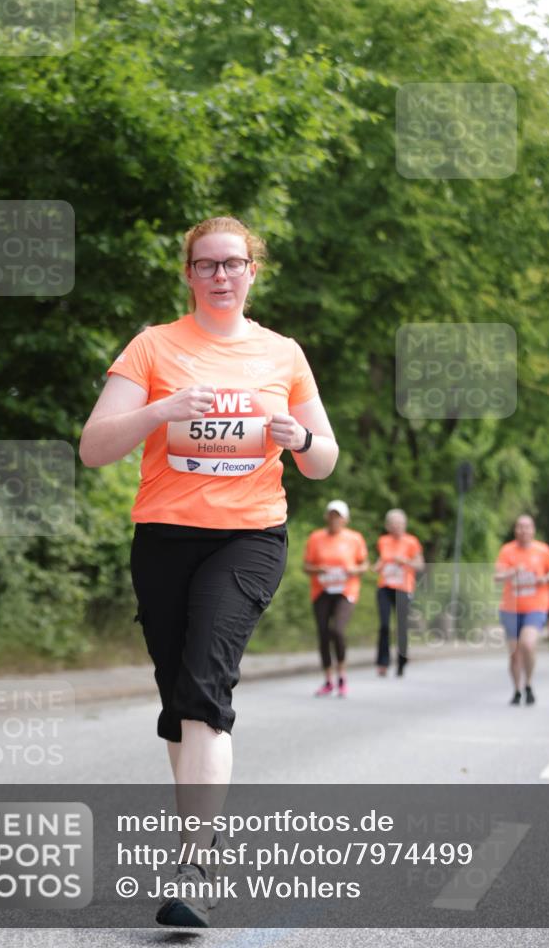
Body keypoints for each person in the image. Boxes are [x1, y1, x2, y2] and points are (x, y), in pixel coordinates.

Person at [79, 216, 338, 927]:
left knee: (203, 683)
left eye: (232, 263)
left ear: (253, 270)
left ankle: (194, 861)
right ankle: (207, 837)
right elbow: (94, 449)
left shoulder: (282, 354)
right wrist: (160, 408)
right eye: (205, 265)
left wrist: (302, 437)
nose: (220, 276)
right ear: (189, 276)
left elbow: (324, 461)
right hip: (164, 537)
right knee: (177, 696)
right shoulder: (153, 347)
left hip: (249, 537)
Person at [303, 500, 369, 698]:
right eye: (331, 515)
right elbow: (306, 566)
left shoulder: (354, 538)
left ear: (345, 519)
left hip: (345, 590)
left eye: (338, 516)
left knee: (337, 630)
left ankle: (342, 676)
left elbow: (365, 565)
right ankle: (328, 680)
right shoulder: (316, 538)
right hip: (321, 590)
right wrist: (318, 569)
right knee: (323, 633)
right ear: (326, 517)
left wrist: (354, 570)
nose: (334, 519)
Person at [494, 514, 549, 706]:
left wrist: (545, 579)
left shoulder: (543, 550)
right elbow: (497, 577)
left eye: (527, 527)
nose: (523, 530)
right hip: (510, 607)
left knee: (528, 644)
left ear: (533, 530)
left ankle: (528, 683)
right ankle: (517, 690)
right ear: (515, 530)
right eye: (520, 527)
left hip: (536, 605)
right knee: (514, 653)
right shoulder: (507, 551)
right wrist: (513, 571)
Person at [372, 509, 424, 677]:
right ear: (388, 526)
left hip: (403, 588)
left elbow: (420, 565)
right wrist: (376, 567)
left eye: (400, 523)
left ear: (405, 525)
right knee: (384, 625)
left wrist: (406, 561)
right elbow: (380, 561)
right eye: (393, 523)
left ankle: (402, 661)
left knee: (401, 626)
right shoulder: (383, 541)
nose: (396, 527)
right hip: (385, 586)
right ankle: (383, 662)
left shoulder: (412, 542)